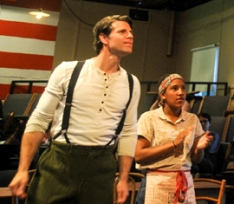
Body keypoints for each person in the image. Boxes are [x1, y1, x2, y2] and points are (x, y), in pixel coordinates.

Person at [9, 15, 140, 204]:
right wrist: (22, 169)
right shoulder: (68, 71)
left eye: (131, 32)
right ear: (104, 38)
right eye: (122, 31)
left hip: (101, 167)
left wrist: (123, 177)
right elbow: (39, 119)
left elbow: (128, 131)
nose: (130, 36)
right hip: (61, 161)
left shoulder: (131, 82)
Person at [134, 74, 213, 204]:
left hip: (184, 181)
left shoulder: (192, 119)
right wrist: (174, 144)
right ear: (163, 94)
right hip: (156, 181)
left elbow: (195, 159)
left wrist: (199, 149)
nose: (181, 92)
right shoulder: (149, 118)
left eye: (183, 88)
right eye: (174, 88)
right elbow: (139, 155)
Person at [191, 113, 222, 177]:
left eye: (205, 121)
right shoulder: (194, 136)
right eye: (200, 122)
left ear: (209, 123)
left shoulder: (214, 135)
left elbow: (210, 149)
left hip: (209, 163)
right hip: (197, 162)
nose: (202, 124)